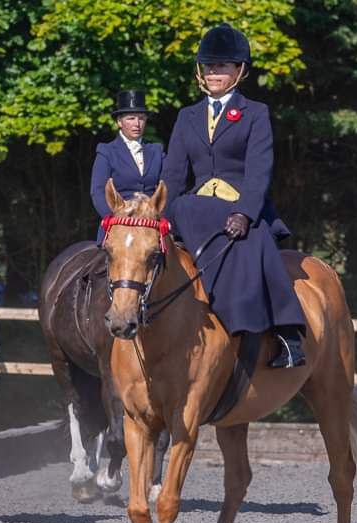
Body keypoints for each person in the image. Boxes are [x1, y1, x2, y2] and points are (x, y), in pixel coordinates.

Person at [161, 24, 306, 368]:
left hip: (237, 205)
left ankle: (288, 335)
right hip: (194, 206)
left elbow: (259, 170)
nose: (213, 73)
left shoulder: (256, 114)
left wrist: (244, 212)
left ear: (239, 71)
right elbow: (174, 174)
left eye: (222, 66)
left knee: (259, 241)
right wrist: (160, 215)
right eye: (209, 67)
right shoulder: (186, 117)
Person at [90, 90, 164, 241]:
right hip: (119, 222)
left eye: (141, 119)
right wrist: (115, 219)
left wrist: (160, 215)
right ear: (119, 122)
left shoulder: (157, 150)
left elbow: (168, 185)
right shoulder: (106, 151)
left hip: (151, 223)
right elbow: (97, 191)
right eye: (131, 118)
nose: (137, 124)